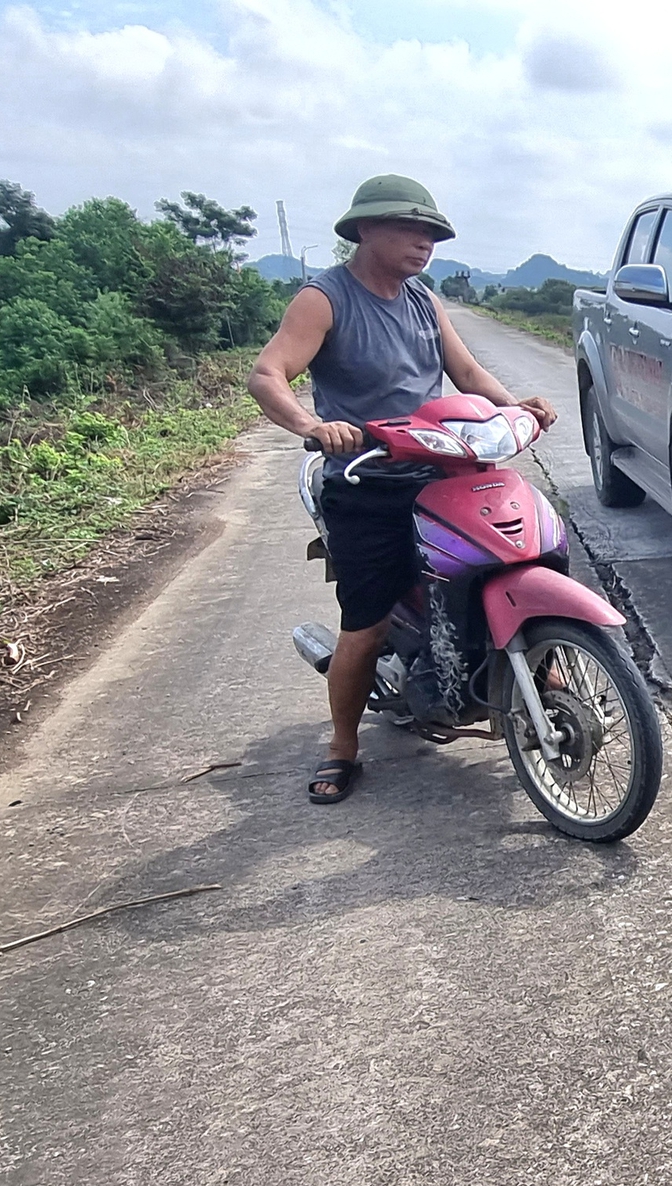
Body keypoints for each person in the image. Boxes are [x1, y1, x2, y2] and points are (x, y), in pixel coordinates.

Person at [248, 174, 558, 805]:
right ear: (364, 230)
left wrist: (509, 407)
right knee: (364, 622)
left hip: (442, 466)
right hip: (369, 481)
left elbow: (464, 370)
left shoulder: (423, 298)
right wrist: (315, 426)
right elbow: (267, 373)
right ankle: (342, 746)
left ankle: (537, 678)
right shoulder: (324, 298)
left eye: (431, 233)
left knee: (524, 556)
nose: (424, 244)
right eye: (409, 230)